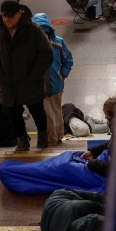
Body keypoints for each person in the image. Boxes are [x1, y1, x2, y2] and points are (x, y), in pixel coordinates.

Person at [0, 0, 53, 151]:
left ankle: (43, 137)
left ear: (19, 13)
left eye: (10, 16)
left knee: (37, 110)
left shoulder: (34, 30)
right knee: (12, 112)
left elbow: (46, 53)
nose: (6, 19)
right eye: (4, 16)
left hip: (30, 81)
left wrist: (34, 75)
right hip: (8, 82)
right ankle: (22, 140)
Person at [32, 13, 74, 146]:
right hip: (41, 87)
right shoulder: (31, 47)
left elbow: (68, 60)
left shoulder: (58, 43)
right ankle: (52, 139)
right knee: (49, 115)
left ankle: (58, 136)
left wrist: (62, 75)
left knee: (56, 112)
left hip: (56, 85)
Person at [80, 97, 116, 177]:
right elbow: (109, 144)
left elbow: (115, 169)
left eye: (108, 118)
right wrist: (93, 152)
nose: (108, 121)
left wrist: (92, 163)